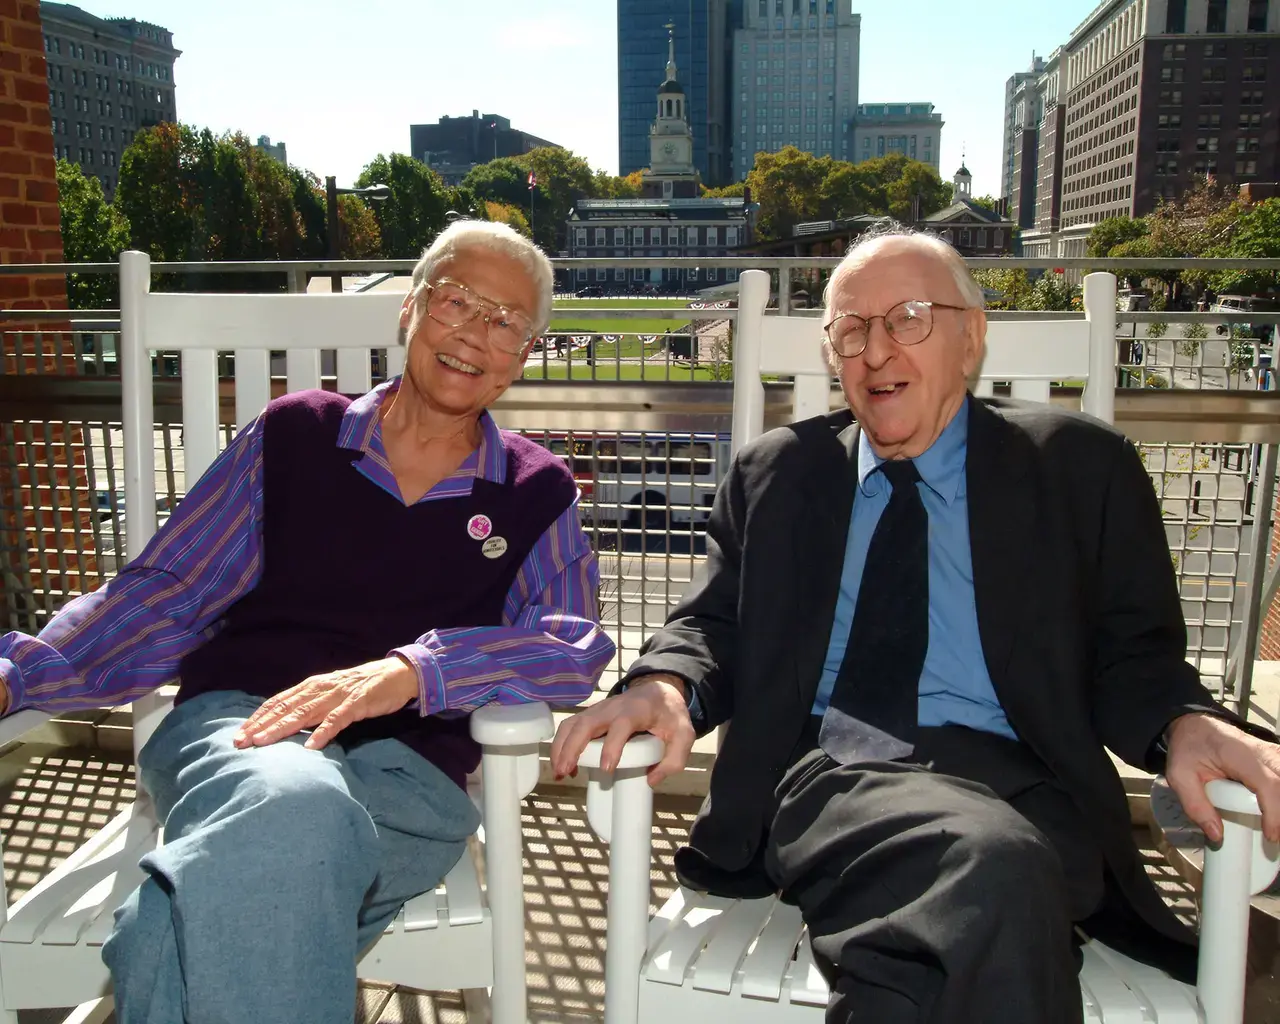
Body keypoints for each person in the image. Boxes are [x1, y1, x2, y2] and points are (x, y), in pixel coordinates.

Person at [551, 227, 1280, 1024]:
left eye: (908, 318)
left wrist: (1184, 723)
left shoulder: (1079, 468)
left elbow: (1133, 656)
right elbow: (714, 625)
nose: (875, 350)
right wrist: (665, 684)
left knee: (981, 896)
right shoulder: (778, 474)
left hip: (1031, 784)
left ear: (971, 339)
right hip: (838, 780)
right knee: (994, 868)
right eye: (851, 330)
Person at [0, 220, 615, 1024]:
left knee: (171, 925)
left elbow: (568, 644)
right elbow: (170, 590)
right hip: (245, 728)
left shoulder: (536, 492)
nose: (476, 335)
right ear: (411, 311)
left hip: (406, 778)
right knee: (293, 805)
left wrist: (413, 672)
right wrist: (23, 672)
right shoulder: (294, 436)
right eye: (458, 303)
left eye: (507, 323)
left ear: (524, 356)